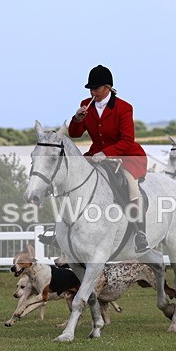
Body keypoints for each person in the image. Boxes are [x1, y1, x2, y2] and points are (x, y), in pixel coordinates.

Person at [69, 65, 150, 253]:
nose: (92, 92)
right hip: (95, 155)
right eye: (91, 89)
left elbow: (128, 141)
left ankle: (140, 233)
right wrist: (77, 119)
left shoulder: (124, 108)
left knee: (131, 186)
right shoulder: (86, 104)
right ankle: (68, 228)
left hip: (125, 155)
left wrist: (106, 154)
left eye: (96, 88)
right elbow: (75, 134)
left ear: (107, 87)